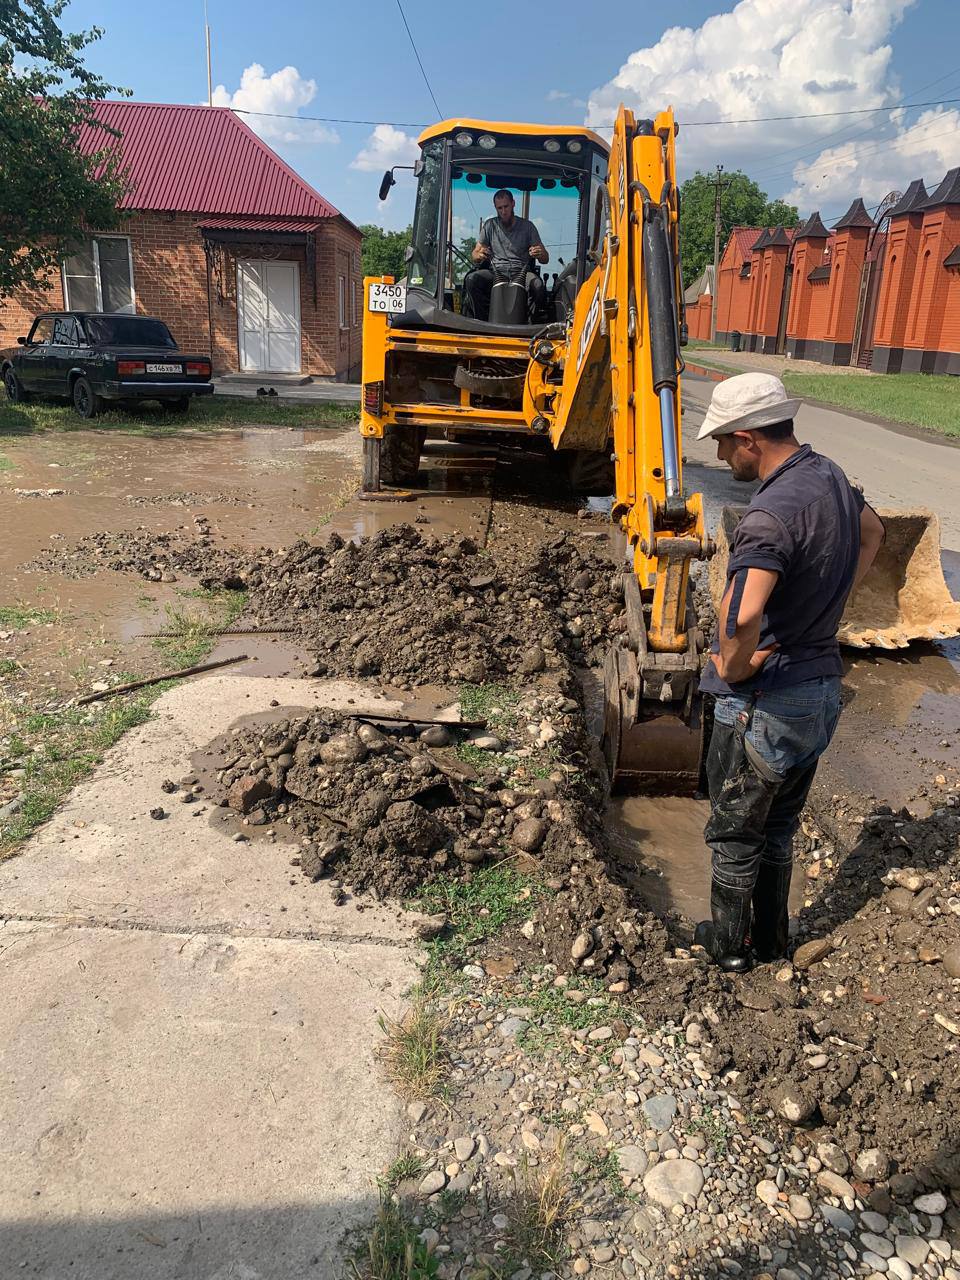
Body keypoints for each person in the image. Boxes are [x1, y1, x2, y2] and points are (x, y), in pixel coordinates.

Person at [694, 373, 885, 972]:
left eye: (724, 443)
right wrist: (829, 604)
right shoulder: (828, 475)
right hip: (819, 693)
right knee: (778, 828)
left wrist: (732, 662)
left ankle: (727, 951)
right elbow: (873, 531)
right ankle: (772, 942)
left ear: (748, 438)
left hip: (765, 703)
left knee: (733, 834)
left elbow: (743, 610)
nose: (722, 457)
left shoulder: (769, 513)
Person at [462, 189, 548, 320]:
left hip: (521, 272)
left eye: (506, 206)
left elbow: (545, 259)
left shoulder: (528, 227)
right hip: (496, 272)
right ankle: (483, 322)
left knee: (538, 286)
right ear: (495, 208)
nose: (503, 211)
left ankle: (529, 325)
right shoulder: (490, 225)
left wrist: (539, 253)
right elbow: (475, 253)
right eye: (499, 208)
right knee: (472, 280)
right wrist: (479, 255)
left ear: (513, 203)